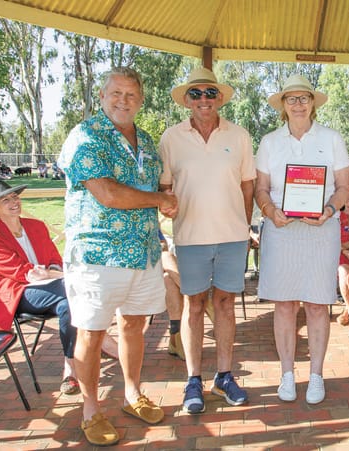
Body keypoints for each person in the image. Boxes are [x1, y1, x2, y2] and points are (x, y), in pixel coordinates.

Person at [58, 67, 177, 446]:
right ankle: (90, 410)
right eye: (116, 94)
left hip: (142, 252)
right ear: (103, 96)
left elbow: (159, 184)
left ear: (140, 101)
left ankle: (131, 393)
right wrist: (160, 200)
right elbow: (107, 193)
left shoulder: (146, 140)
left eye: (130, 95)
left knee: (134, 326)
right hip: (97, 254)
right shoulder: (86, 135)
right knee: (91, 333)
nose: (123, 101)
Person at [159, 67, 255, 414]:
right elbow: (164, 187)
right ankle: (193, 381)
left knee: (226, 305)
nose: (204, 99)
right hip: (190, 238)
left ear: (220, 98)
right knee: (194, 305)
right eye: (196, 93)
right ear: (187, 99)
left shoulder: (240, 136)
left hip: (232, 237)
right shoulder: (171, 138)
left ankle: (225, 376)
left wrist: (243, 227)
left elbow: (248, 186)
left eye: (210, 93)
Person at [254, 74, 349, 405]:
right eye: (291, 99)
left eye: (304, 98)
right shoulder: (269, 142)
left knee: (316, 304)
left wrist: (328, 209)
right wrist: (269, 210)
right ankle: (286, 374)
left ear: (313, 102)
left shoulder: (332, 138)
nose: (298, 104)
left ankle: (316, 375)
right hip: (282, 230)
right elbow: (261, 189)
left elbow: (344, 187)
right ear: (283, 105)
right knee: (284, 304)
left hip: (321, 229)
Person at [0, 177, 118, 395]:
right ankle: (101, 340)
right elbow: (21, 272)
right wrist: (61, 275)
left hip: (54, 287)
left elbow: (53, 259)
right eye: (5, 200)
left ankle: (70, 369)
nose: (14, 202)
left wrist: (54, 271)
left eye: (15, 196)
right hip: (17, 294)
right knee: (76, 287)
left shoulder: (36, 226)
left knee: (68, 304)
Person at [159, 232, 215, 361]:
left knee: (169, 279)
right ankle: (204, 300)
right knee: (166, 257)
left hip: (165, 273)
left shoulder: (151, 224)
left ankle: (176, 339)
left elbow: (163, 245)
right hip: (144, 272)